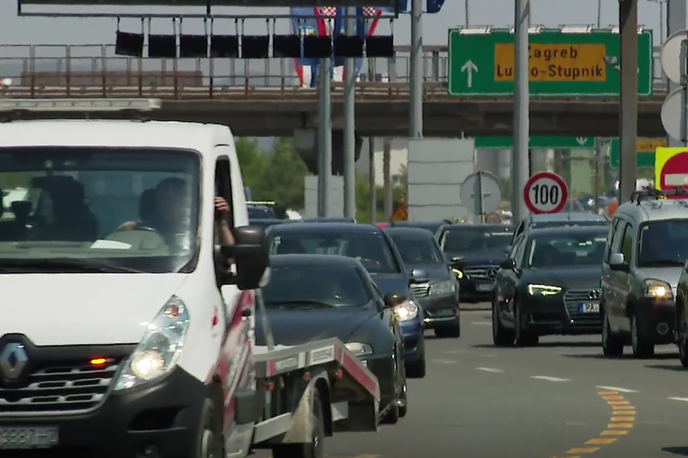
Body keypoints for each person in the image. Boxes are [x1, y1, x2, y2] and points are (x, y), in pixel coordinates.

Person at [119, 177, 235, 247]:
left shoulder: (204, 230)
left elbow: (230, 260)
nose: (171, 202)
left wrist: (222, 224)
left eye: (177, 197)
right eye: (165, 198)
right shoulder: (132, 229)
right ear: (155, 201)